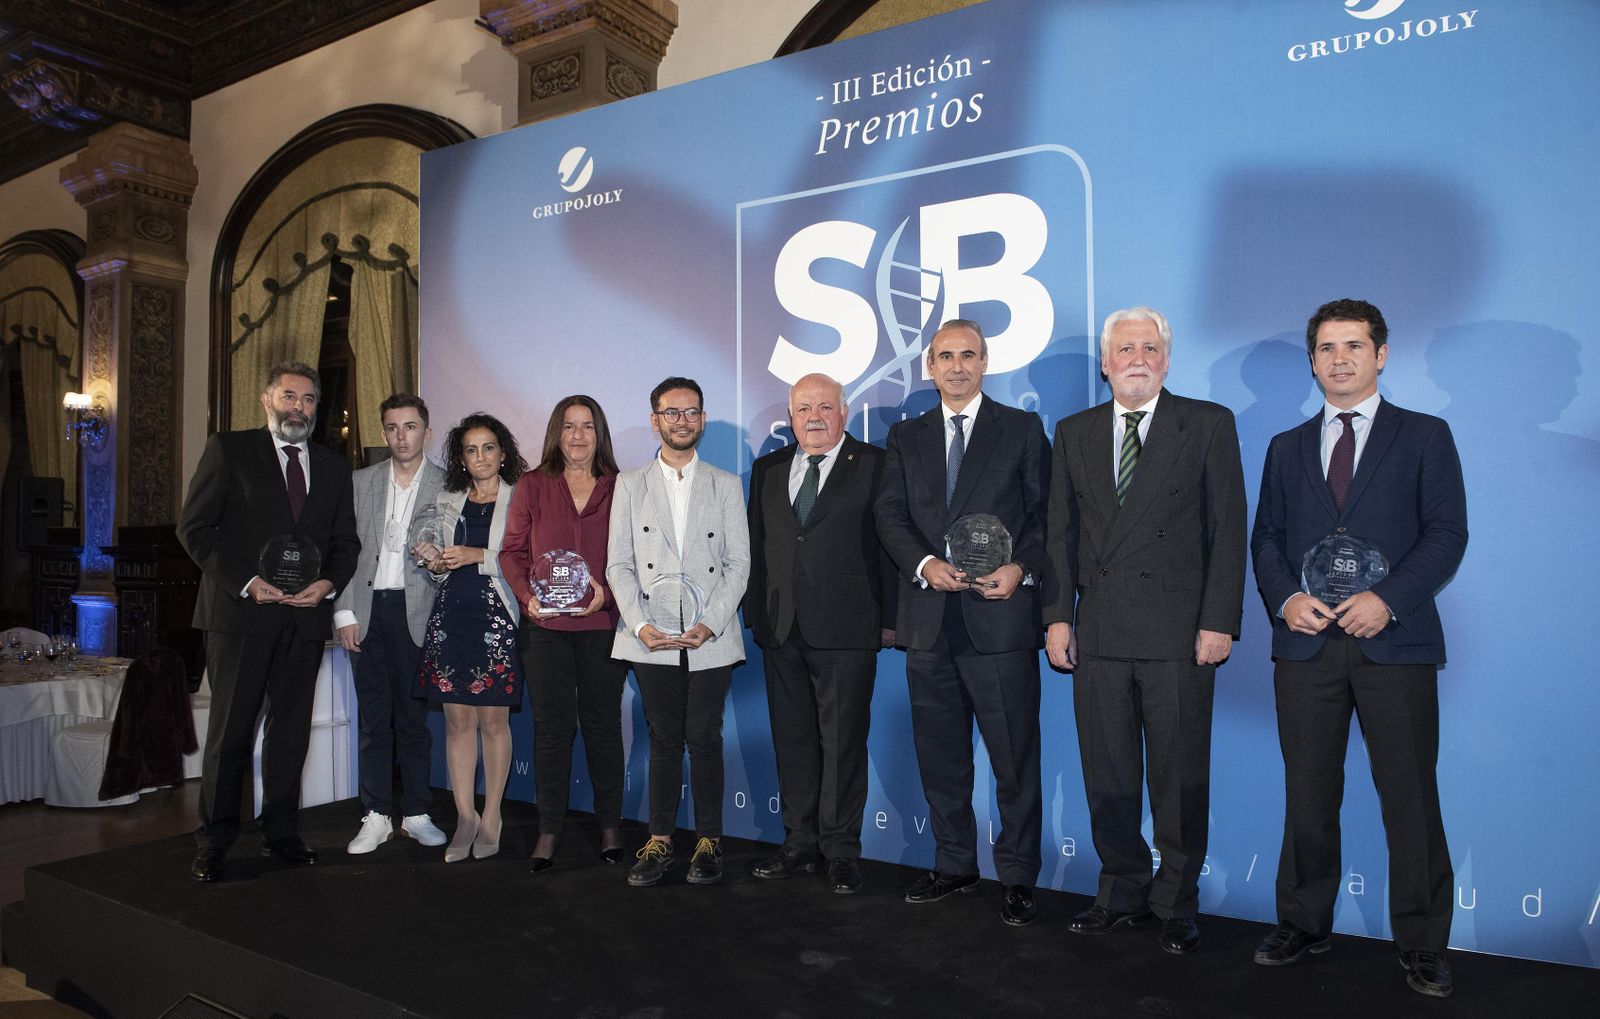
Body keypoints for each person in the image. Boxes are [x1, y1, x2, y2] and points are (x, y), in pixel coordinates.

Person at [1250, 299, 1466, 998]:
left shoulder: (1425, 436)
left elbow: (1446, 533)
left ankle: (1423, 942)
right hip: (1306, 646)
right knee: (1308, 792)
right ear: (1312, 361)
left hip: (1394, 643)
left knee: (1408, 794)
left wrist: (1389, 598)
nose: (1339, 358)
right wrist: (1286, 599)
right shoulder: (1285, 447)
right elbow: (1267, 541)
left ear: (1381, 354)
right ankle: (1303, 921)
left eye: (1353, 345)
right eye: (1326, 347)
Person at [1043, 307, 1247, 954]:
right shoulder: (1073, 431)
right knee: (1108, 773)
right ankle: (1121, 890)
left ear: (1165, 359)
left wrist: (1219, 620)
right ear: (1105, 363)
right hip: (1098, 630)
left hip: (1180, 635)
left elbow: (1228, 529)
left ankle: (1176, 901)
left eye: (1149, 347)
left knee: (1179, 776)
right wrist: (1055, 616)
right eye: (1125, 347)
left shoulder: (1207, 425)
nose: (1137, 356)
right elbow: (1059, 536)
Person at [873, 319, 1051, 927]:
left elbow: (1046, 515)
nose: (956, 366)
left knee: (1014, 758)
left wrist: (1021, 566)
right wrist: (924, 564)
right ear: (929, 365)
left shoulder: (1021, 429)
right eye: (945, 356)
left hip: (999, 621)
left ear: (985, 361)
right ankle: (954, 863)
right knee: (940, 757)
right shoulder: (906, 436)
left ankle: (1020, 875)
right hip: (928, 622)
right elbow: (889, 514)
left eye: (967, 355)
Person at [176, 361, 359, 882]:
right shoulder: (230, 450)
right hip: (240, 618)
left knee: (290, 736)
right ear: (266, 399)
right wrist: (248, 583)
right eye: (288, 396)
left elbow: (345, 543)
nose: (297, 407)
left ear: (316, 408)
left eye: (307, 399)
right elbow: (194, 530)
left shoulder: (332, 465)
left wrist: (327, 584)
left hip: (303, 622)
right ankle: (213, 841)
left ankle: (282, 833)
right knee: (231, 735)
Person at [745, 373, 896, 895]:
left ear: (844, 413)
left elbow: (888, 546)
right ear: (790, 416)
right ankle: (799, 840)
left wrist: (890, 622)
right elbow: (758, 549)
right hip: (780, 627)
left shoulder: (875, 465)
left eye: (825, 407)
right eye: (804, 407)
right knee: (793, 740)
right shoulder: (766, 470)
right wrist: (756, 617)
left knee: (842, 743)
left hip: (849, 626)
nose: (814, 417)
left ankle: (840, 849)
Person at [607, 377, 750, 887]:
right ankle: (660, 840)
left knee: (705, 739)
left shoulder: (726, 483)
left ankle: (709, 840)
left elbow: (739, 563)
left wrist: (710, 624)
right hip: (651, 636)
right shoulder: (629, 484)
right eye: (672, 413)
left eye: (691, 412)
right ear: (655, 420)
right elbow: (618, 564)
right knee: (664, 739)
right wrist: (641, 625)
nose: (682, 421)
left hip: (710, 634)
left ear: (703, 419)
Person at [499, 395, 627, 872]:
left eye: (587, 426)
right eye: (569, 426)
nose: (578, 435)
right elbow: (511, 551)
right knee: (552, 732)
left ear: (599, 434)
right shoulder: (533, 485)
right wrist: (525, 596)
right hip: (545, 629)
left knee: (602, 728)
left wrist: (608, 595)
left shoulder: (622, 487)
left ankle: (610, 825)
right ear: (556, 432)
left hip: (601, 627)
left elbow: (634, 556)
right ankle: (548, 830)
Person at [332, 394, 449, 853]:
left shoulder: (446, 486)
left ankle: (417, 812)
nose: (402, 436)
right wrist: (344, 612)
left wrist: (437, 562)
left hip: (416, 614)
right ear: (384, 433)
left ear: (427, 431)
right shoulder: (359, 482)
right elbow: (341, 551)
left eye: (411, 426)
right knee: (373, 721)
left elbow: (447, 562)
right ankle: (377, 814)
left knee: (415, 721)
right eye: (393, 427)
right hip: (365, 612)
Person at [415, 412, 527, 862]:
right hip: (451, 616)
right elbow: (425, 540)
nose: (480, 457)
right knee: (458, 722)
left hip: (497, 618)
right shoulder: (447, 499)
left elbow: (531, 555)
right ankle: (465, 816)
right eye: (470, 449)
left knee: (492, 723)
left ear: (503, 453)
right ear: (460, 458)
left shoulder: (521, 498)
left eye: (488, 447)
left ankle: (493, 813)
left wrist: (480, 554)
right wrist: (431, 556)